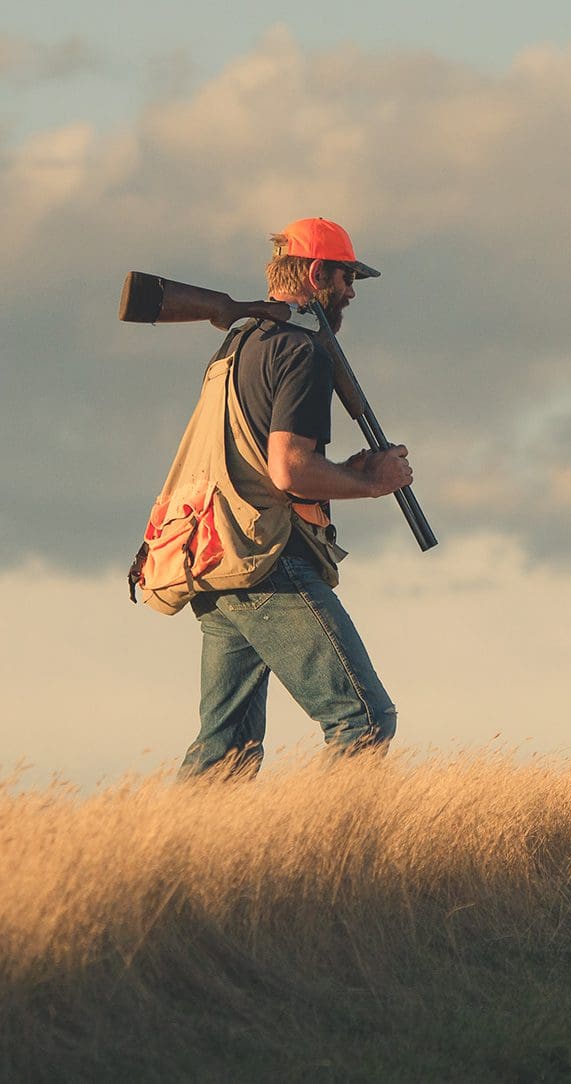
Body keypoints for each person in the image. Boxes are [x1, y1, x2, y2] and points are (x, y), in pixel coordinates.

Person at [177, 217, 413, 778]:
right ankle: (330, 860)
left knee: (225, 752)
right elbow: (289, 470)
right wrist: (374, 481)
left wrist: (346, 472)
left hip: (218, 559)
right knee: (365, 722)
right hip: (268, 560)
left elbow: (264, 460)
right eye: (346, 276)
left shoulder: (237, 347)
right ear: (315, 273)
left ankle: (180, 861)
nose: (352, 291)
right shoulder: (301, 351)